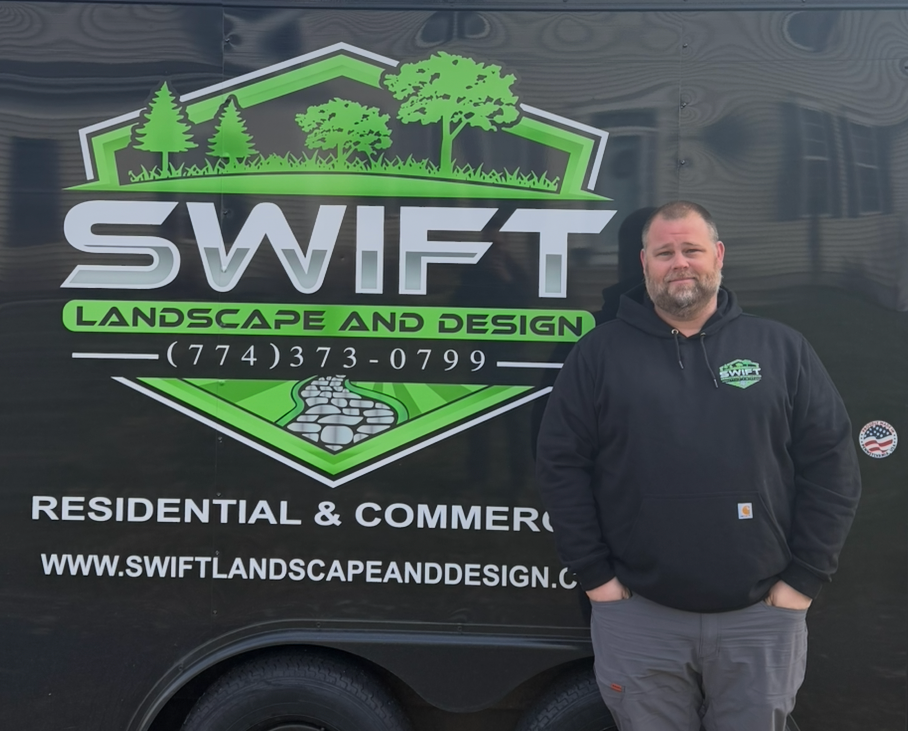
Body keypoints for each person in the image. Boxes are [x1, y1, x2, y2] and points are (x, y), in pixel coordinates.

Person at [535, 201, 861, 731]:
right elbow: (560, 466)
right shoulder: (598, 353)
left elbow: (832, 468)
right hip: (639, 615)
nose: (679, 263)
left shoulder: (781, 349)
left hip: (761, 617)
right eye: (665, 253)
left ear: (719, 256)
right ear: (644, 263)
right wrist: (598, 581)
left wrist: (802, 581)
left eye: (692, 249)